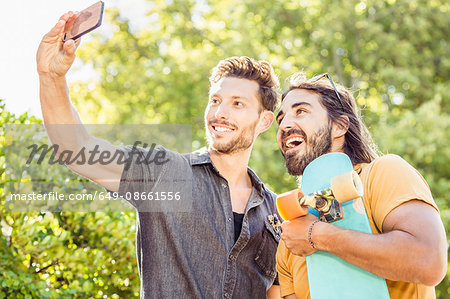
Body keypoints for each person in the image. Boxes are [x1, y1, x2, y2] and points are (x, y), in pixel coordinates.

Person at [37, 12, 282, 298]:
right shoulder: (164, 172)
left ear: (264, 120)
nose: (219, 113)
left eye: (237, 104)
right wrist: (51, 77)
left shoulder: (276, 211)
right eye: (215, 101)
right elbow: (78, 150)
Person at [274, 72, 447, 298]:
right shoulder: (291, 238)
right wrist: (305, 234)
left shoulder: (383, 174)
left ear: (339, 126)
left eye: (301, 111)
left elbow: (429, 261)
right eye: (281, 119)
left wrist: (317, 235)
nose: (285, 124)